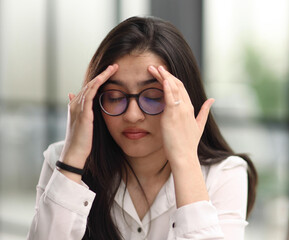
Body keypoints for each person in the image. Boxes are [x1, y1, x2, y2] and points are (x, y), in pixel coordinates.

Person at [27, 16, 257, 240]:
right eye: (115, 97)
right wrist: (72, 159)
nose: (132, 115)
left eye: (153, 97)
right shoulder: (62, 160)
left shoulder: (225, 174)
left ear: (185, 100)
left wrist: (186, 161)